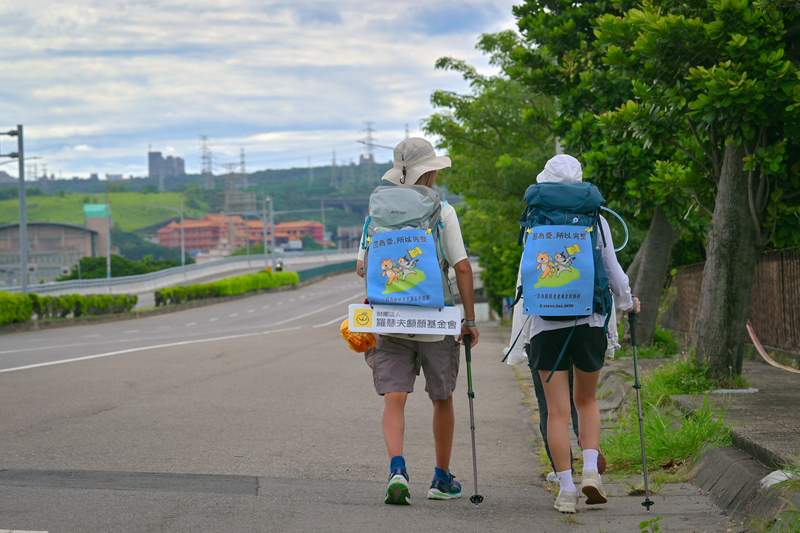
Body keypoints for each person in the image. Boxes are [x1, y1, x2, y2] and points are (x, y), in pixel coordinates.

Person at [507, 154, 639, 514]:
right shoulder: (595, 219)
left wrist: (518, 338)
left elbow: (526, 278)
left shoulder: (534, 220)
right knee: (587, 401)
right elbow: (614, 272)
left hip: (546, 325)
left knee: (557, 412)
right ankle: (592, 471)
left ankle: (566, 489)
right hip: (590, 322)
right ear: (580, 183)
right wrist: (627, 303)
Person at [356, 137, 479, 505]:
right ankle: (441, 479)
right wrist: (468, 319)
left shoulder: (374, 215)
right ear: (428, 174)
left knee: (394, 398)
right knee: (442, 398)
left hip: (390, 318)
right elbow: (461, 267)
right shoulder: (443, 212)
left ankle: (397, 469)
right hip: (436, 319)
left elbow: (363, 267)